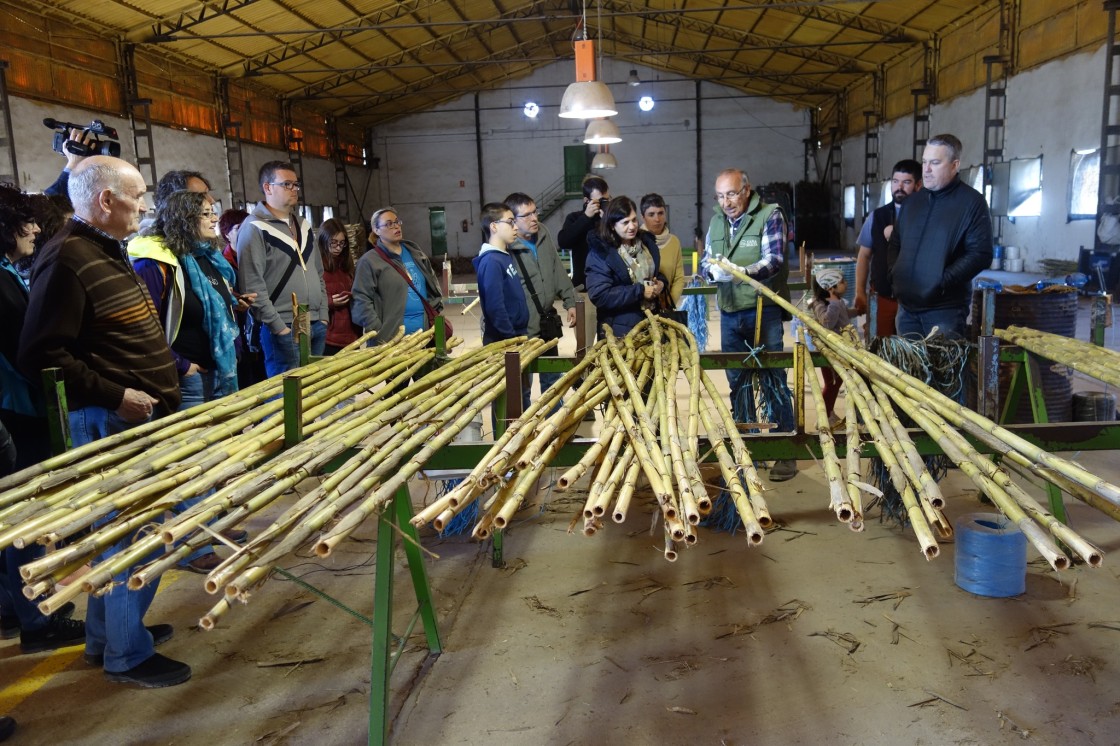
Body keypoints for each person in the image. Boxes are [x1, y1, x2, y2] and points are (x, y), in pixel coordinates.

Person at [18, 156, 187, 688]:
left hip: (132, 418)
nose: (145, 206)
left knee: (118, 534)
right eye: (137, 196)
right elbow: (41, 353)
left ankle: (108, 638)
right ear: (105, 200)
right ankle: (127, 655)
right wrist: (116, 396)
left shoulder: (104, 250)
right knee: (133, 535)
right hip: (111, 420)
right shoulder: (68, 258)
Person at [0, 186, 85, 656]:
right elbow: (27, 349)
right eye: (23, 222)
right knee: (25, 517)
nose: (34, 228)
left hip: (15, 410)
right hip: (18, 413)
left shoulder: (7, 273)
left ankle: (16, 608)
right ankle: (37, 621)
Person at [702, 167, 797, 482]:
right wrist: (712, 271)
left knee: (773, 379)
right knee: (738, 383)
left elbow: (774, 260)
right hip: (730, 313)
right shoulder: (717, 222)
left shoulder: (770, 215)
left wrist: (739, 272)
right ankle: (750, 447)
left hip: (762, 310)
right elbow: (706, 258)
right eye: (720, 195)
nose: (726, 201)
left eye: (731, 193)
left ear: (746, 190)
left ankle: (784, 451)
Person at [889, 134, 994, 339]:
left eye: (935, 163)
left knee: (943, 369)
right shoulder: (913, 203)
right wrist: (894, 273)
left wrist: (941, 281)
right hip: (906, 310)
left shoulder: (971, 203)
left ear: (955, 165)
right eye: (925, 162)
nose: (926, 170)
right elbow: (895, 242)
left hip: (944, 311)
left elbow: (981, 253)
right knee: (907, 370)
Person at [237, 161, 327, 375]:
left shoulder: (304, 225)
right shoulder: (254, 228)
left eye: (296, 185)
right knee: (285, 394)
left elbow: (318, 273)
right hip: (284, 323)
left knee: (315, 390)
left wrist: (323, 315)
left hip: (315, 321)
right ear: (268, 188)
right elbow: (252, 284)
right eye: (287, 184)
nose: (294, 190)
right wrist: (278, 326)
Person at [504, 192, 577, 405]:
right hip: (523, 331)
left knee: (553, 382)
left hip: (547, 324)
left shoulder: (543, 233)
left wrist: (570, 301)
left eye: (534, 212)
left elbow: (557, 270)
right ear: (513, 221)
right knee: (521, 386)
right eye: (526, 215)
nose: (534, 218)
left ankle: (554, 431)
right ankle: (524, 433)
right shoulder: (507, 247)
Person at [351, 208, 444, 345]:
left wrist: (435, 310)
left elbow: (431, 286)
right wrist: (377, 329)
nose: (395, 226)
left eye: (397, 222)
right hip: (391, 340)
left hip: (425, 336)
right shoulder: (369, 261)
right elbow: (360, 299)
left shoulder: (415, 254)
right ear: (376, 230)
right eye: (389, 224)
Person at [854, 159, 921, 337]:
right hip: (882, 295)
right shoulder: (876, 217)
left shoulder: (926, 217)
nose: (899, 187)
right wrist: (860, 291)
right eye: (895, 181)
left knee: (911, 348)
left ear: (918, 185)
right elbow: (864, 256)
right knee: (879, 346)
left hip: (915, 299)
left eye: (906, 182)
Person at [585, 196, 666, 338]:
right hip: (619, 332)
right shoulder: (601, 253)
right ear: (612, 225)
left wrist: (661, 283)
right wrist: (640, 291)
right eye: (625, 222)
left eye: (634, 220)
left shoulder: (646, 245)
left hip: (651, 325)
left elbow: (653, 273)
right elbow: (600, 295)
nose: (633, 226)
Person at [473, 203, 528, 344]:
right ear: (494, 226)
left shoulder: (503, 256)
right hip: (503, 341)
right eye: (510, 222)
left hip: (516, 334)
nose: (515, 227)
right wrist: (510, 338)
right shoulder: (492, 261)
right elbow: (495, 306)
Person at [810, 267, 852, 430]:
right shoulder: (820, 304)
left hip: (841, 349)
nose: (846, 284)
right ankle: (823, 416)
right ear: (830, 287)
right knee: (831, 383)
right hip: (829, 351)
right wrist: (834, 303)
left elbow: (842, 317)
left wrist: (856, 312)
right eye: (842, 282)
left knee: (837, 382)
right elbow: (827, 323)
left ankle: (829, 412)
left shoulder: (837, 302)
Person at [558, 175, 610, 290]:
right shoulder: (575, 218)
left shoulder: (611, 219)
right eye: (599, 201)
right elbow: (563, 242)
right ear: (587, 201)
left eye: (606, 200)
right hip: (583, 283)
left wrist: (608, 221)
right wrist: (586, 217)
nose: (604, 203)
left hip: (609, 282)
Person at [318, 218, 360, 354]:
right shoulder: (316, 266)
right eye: (333, 243)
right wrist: (330, 301)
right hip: (329, 337)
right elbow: (308, 299)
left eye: (342, 243)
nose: (338, 248)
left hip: (352, 334)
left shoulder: (346, 265)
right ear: (323, 241)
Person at [640, 193, 685, 307]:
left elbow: (679, 278)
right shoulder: (635, 241)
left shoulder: (674, 242)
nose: (657, 219)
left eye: (661, 213)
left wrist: (669, 303)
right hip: (639, 308)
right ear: (643, 217)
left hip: (666, 306)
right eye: (651, 214)